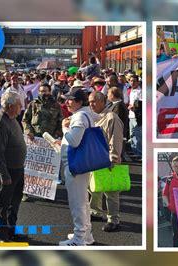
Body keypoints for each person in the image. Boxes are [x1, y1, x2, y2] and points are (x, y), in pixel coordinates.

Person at [58, 89, 100, 246]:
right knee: (82, 201)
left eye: (70, 100)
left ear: (79, 102)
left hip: (75, 165)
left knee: (77, 202)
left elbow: (74, 141)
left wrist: (64, 128)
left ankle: (78, 238)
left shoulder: (80, 116)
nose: (67, 102)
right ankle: (86, 235)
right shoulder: (85, 114)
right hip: (80, 163)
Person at [0, 91, 27, 243]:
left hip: (16, 169)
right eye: (18, 105)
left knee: (14, 203)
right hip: (5, 171)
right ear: (10, 106)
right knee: (2, 204)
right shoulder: (0, 123)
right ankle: (2, 236)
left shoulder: (12, 118)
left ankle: (11, 231)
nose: (21, 107)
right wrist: (4, 175)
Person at [88, 91, 124, 232]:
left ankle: (113, 219)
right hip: (94, 159)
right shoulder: (93, 117)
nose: (91, 104)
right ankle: (95, 212)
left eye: (94, 101)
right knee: (94, 188)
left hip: (108, 160)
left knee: (111, 192)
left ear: (103, 101)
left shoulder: (111, 117)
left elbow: (115, 139)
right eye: (90, 101)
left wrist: (113, 158)